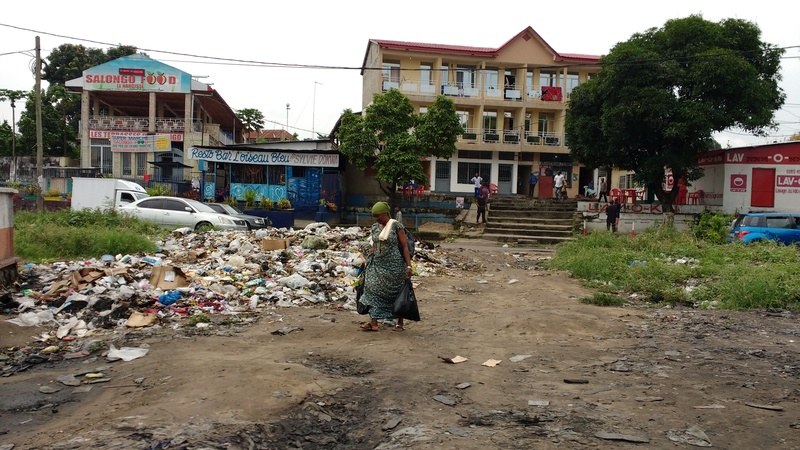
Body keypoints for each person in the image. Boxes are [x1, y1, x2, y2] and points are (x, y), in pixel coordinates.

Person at [359, 201, 413, 332]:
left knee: (396, 292)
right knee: (371, 288)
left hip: (394, 265)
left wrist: (409, 266)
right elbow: (374, 245)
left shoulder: (396, 226)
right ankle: (374, 322)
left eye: (378, 215)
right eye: (375, 216)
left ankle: (399, 322)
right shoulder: (374, 227)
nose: (377, 218)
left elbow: (405, 246)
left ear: (385, 213)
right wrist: (367, 257)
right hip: (377, 263)